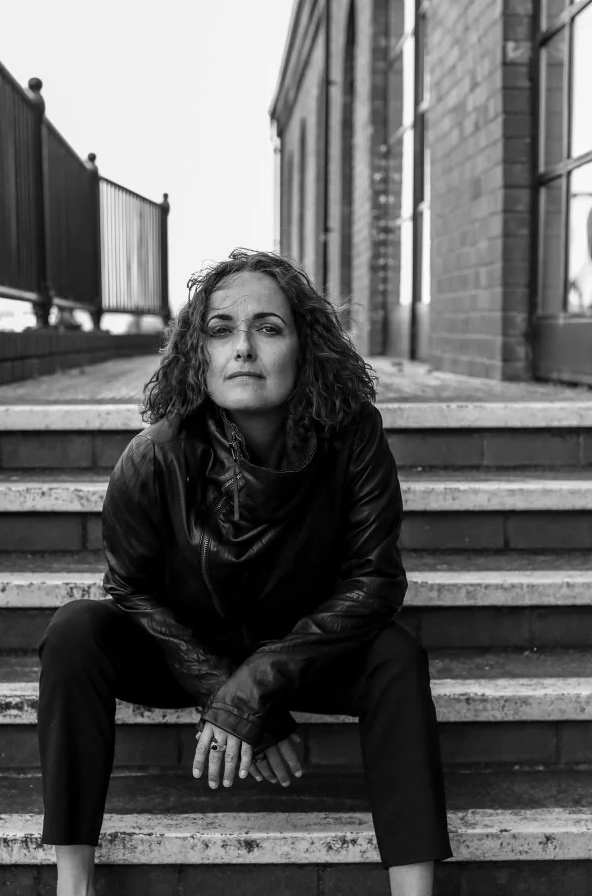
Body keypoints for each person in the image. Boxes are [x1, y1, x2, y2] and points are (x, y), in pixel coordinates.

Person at [37, 248, 452, 896]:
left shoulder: (354, 436)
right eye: (221, 329)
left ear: (304, 346)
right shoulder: (155, 457)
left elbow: (376, 581)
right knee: (74, 632)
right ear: (197, 354)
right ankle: (74, 883)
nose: (244, 349)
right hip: (185, 653)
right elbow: (129, 590)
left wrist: (259, 686)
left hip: (303, 651)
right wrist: (229, 694)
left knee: (396, 656)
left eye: (269, 326)